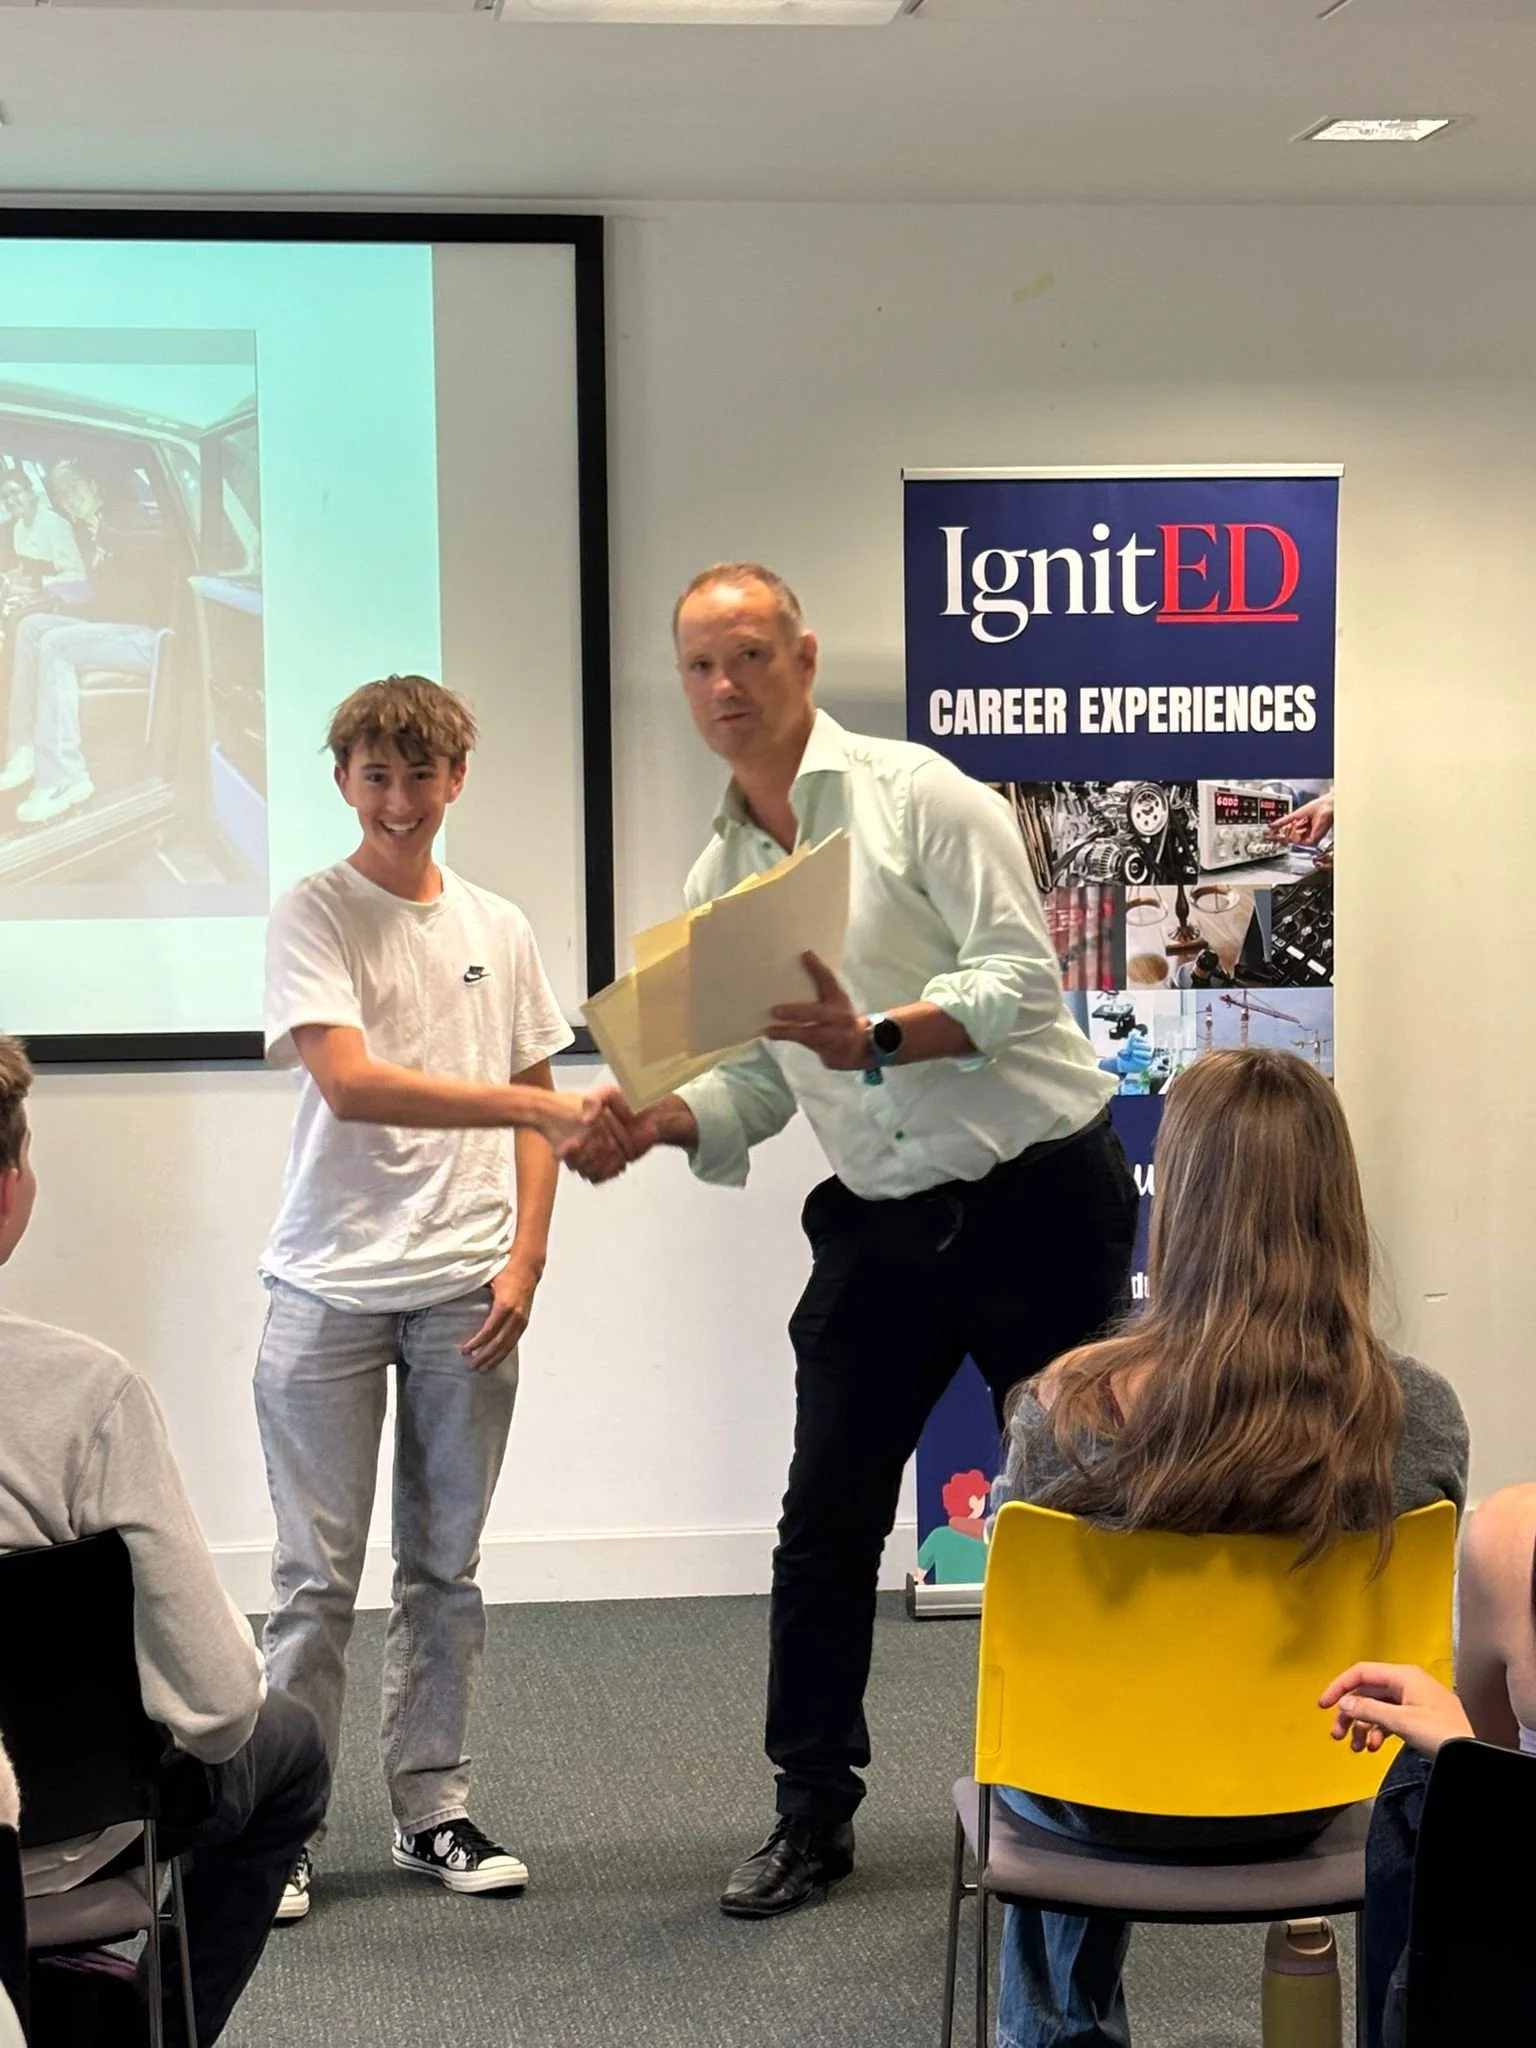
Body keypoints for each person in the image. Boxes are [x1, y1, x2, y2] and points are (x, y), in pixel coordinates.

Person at [568, 563, 1141, 1918]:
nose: (725, 685)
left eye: (749, 655)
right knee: (823, 1518)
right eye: (700, 664)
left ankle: (1105, 1784)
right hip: (883, 1225)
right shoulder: (721, 876)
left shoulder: (920, 796)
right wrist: (655, 1123)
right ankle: (810, 1812)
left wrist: (875, 1031)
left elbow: (1023, 980)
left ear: (805, 659)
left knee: (1084, 1507)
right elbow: (761, 1085)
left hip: (1040, 1200)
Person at [991, 1048, 1469, 2048]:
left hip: (1100, 1801)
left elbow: (1021, 1637)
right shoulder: (1420, 1416)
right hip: (1321, 1792)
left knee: (1041, 1730)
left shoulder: (1067, 1410)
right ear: (1338, 1206)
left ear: (1178, 1204)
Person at [256, 674, 617, 1923]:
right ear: (343, 781)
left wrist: (527, 1258)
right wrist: (521, 1101)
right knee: (314, 1582)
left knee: (443, 1573)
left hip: (466, 1288)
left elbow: (538, 1104)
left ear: (456, 777)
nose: (399, 799)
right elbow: (352, 1085)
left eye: (421, 774)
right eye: (376, 775)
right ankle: (280, 1829)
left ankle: (431, 1809)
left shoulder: (497, 924)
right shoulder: (313, 911)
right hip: (325, 1289)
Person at [0, 1033, 329, 2047]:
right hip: (56, 1835)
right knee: (288, 1749)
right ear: (10, 1191)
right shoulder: (85, 1398)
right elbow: (219, 1709)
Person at [1320, 1480, 1536, 2048]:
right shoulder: (1432, 1434)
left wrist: (1457, 1742)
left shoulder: (1513, 1536)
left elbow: (1500, 1770)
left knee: (1426, 1775)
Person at [0, 458, 170, 826]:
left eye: (75, 488)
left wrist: (107, 537)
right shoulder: (83, 529)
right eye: (61, 493)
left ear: (93, 485)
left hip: (148, 635)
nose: (68, 498)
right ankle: (24, 747)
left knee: (56, 644)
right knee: (31, 626)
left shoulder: (130, 515)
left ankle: (65, 777)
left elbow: (156, 546)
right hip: (112, 624)